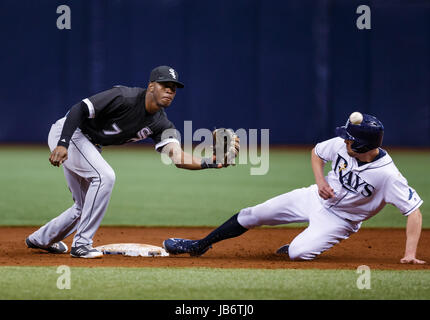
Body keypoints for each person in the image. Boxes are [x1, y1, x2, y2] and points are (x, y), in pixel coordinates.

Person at [26, 65, 237, 259]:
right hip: (71, 133)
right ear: (151, 86)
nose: (170, 90)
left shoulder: (162, 124)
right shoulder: (124, 96)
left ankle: (41, 239)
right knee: (104, 176)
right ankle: (81, 245)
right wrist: (62, 143)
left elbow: (177, 157)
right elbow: (79, 109)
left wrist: (211, 162)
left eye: (174, 88)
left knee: (83, 205)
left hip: (89, 144)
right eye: (165, 85)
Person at [163, 112, 426, 264]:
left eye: (350, 139)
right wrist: (321, 181)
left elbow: (413, 211)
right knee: (252, 214)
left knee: (298, 253)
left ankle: (295, 245)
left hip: (341, 221)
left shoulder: (388, 175)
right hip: (313, 197)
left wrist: (409, 254)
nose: (344, 140)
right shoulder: (341, 144)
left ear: (362, 146)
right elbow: (316, 153)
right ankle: (200, 245)